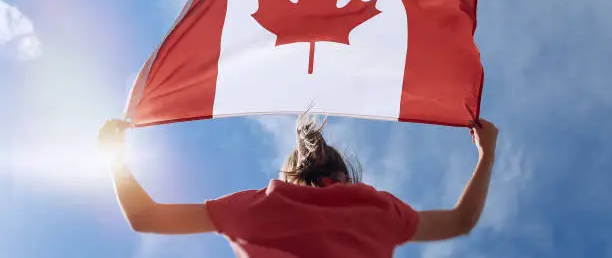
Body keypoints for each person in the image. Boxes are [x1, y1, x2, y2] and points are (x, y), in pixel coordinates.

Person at [98, 115, 498, 257]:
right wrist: (486, 153)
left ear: (291, 174)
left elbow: (144, 216)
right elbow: (460, 221)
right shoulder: (380, 213)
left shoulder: (259, 206)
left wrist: (114, 154)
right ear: (345, 176)